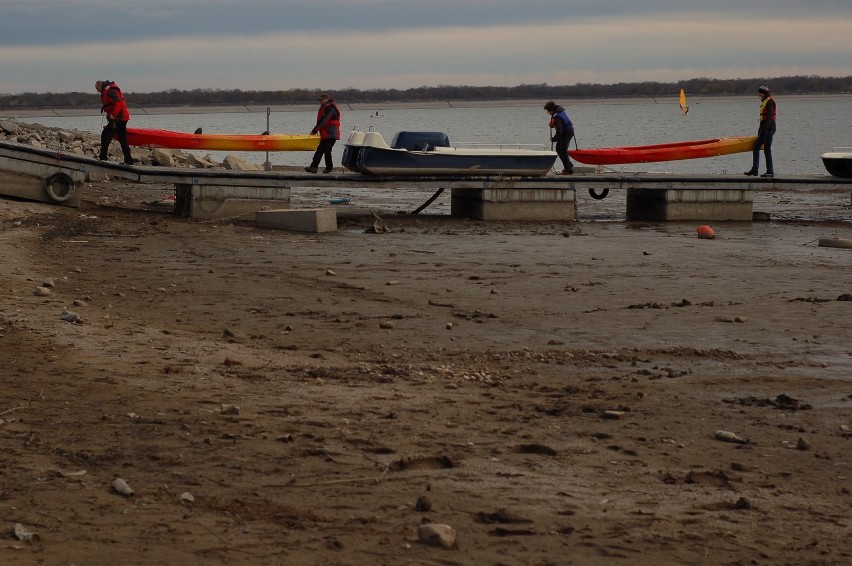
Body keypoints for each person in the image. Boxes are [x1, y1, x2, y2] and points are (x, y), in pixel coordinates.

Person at [96, 80, 134, 165]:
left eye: (97, 88)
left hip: (118, 118)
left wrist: (113, 115)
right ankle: (129, 161)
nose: (96, 90)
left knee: (106, 135)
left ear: (100, 85)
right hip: (122, 118)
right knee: (122, 138)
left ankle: (103, 157)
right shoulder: (107, 90)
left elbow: (118, 102)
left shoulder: (111, 91)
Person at [744, 84, 776, 178]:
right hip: (763, 130)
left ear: (764, 93)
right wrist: (760, 131)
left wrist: (765, 129)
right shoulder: (764, 101)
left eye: (760, 93)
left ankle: (770, 171)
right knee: (756, 147)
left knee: (767, 150)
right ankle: (755, 169)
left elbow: (770, 117)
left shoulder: (770, 102)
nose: (759, 95)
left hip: (769, 129)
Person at [305, 93, 341, 173]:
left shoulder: (331, 108)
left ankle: (328, 168)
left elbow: (324, 120)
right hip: (325, 134)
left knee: (327, 151)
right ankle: (314, 167)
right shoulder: (325, 108)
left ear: (327, 99)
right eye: (320, 100)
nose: (320, 101)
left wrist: (314, 131)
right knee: (320, 150)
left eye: (322, 100)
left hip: (331, 134)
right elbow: (322, 121)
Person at [544, 100, 574, 175]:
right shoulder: (559, 111)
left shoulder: (557, 117)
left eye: (548, 111)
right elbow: (561, 125)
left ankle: (568, 170)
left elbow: (559, 131)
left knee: (562, 150)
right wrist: (553, 124)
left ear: (551, 110)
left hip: (567, 133)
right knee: (559, 149)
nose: (548, 113)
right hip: (566, 132)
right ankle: (569, 166)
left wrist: (554, 139)